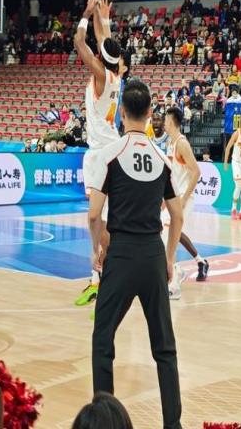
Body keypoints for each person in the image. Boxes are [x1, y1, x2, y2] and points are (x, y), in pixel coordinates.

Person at [86, 79, 183, 429]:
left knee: (103, 339)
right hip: (153, 254)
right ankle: (173, 424)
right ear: (151, 113)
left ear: (121, 113)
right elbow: (177, 216)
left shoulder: (110, 155)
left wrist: (97, 249)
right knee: (164, 348)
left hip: (122, 255)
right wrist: (169, 259)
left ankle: (105, 422)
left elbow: (94, 215)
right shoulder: (162, 158)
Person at [73, 0, 125, 308]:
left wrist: (85, 12)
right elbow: (104, 40)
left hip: (101, 154)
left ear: (100, 58)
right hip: (110, 151)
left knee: (95, 219)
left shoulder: (102, 75)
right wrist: (101, 17)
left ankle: (104, 262)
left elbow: (79, 42)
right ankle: (98, 274)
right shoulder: (115, 73)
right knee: (100, 220)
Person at [162, 107, 209, 300]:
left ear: (171, 121)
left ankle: (175, 283)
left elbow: (196, 172)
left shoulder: (182, 144)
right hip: (173, 197)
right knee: (171, 234)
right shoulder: (170, 143)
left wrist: (183, 199)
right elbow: (171, 174)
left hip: (184, 198)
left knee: (168, 235)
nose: (163, 123)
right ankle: (192, 265)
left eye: (165, 120)